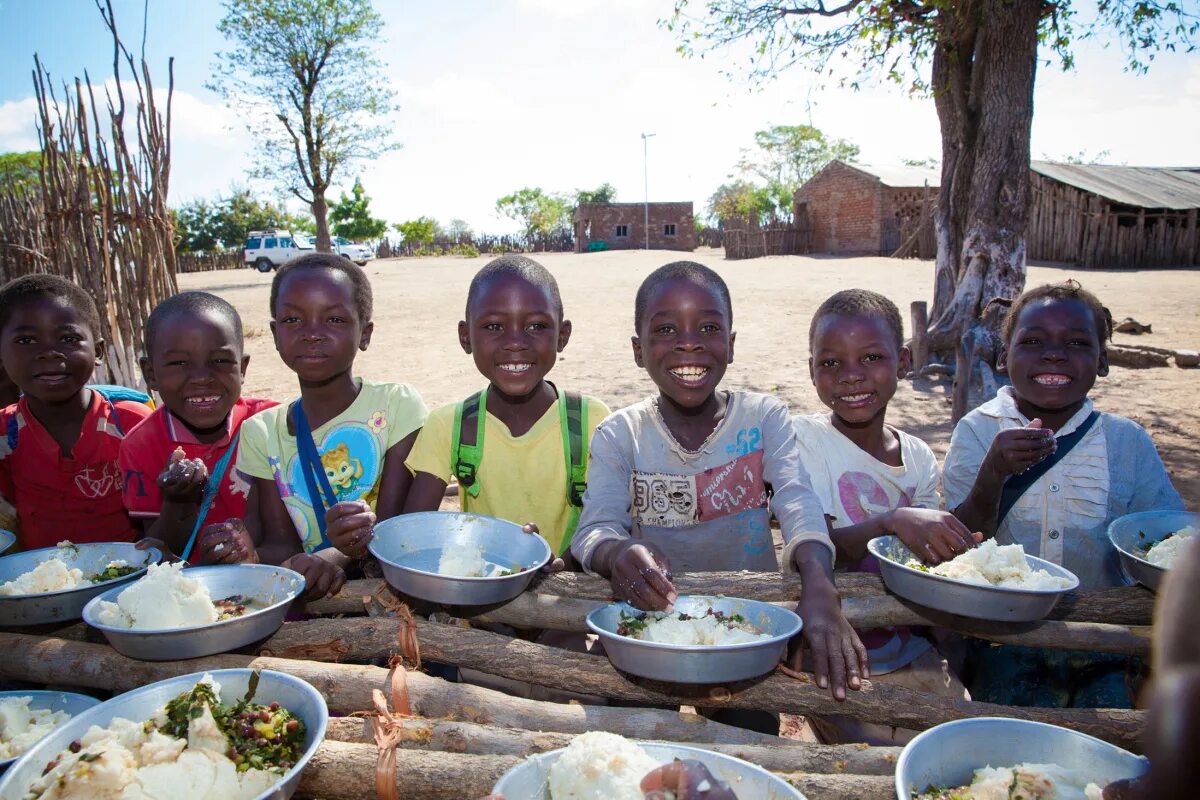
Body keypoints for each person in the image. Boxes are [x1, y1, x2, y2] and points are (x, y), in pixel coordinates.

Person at [571, 261, 868, 705]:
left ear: (730, 345)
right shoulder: (620, 435)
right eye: (666, 330)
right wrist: (617, 553)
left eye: (708, 328)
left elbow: (797, 501)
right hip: (654, 629)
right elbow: (593, 530)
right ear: (638, 350)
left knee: (748, 743)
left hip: (749, 634)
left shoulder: (763, 418)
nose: (689, 343)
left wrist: (820, 585)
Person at [944, 280, 1184, 707]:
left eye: (1076, 342)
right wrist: (993, 473)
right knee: (1019, 735)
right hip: (1004, 636)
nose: (1053, 353)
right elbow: (958, 546)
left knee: (1108, 733)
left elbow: (1165, 542)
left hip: (1105, 638)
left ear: (1103, 360)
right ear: (1004, 356)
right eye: (1033, 341)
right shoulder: (978, 430)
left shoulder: (1126, 441)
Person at [794, 289, 974, 743]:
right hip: (830, 653)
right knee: (869, 762)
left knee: (946, 753)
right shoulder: (804, 441)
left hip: (907, 645)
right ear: (811, 369)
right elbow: (819, 543)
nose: (851, 376)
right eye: (830, 362)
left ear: (905, 361)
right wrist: (892, 521)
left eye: (871, 357)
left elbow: (928, 562)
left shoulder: (915, 456)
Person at [229, 253, 428, 598]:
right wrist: (248, 555)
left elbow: (396, 529)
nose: (312, 334)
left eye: (334, 319)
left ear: (364, 333)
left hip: (388, 597)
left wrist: (336, 555)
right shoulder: (262, 432)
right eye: (293, 320)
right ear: (275, 335)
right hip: (314, 604)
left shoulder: (397, 406)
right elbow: (279, 543)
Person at [403, 255, 609, 560]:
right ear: (465, 337)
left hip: (568, 587)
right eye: (494, 326)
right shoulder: (450, 425)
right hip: (481, 590)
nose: (515, 342)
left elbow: (609, 523)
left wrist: (565, 563)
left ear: (562, 336)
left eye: (537, 326)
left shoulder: (592, 420)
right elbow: (411, 534)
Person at [119, 292, 278, 560]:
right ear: (150, 374)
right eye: (179, 363)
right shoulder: (141, 445)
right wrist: (177, 502)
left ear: (243, 367)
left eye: (219, 361)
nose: (202, 378)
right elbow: (159, 550)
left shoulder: (270, 422)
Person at [0, 274, 152, 549]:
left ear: (98, 351)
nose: (49, 353)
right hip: (39, 584)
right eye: (26, 341)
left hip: (133, 580)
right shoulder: (4, 436)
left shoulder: (133, 424)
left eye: (68, 338)